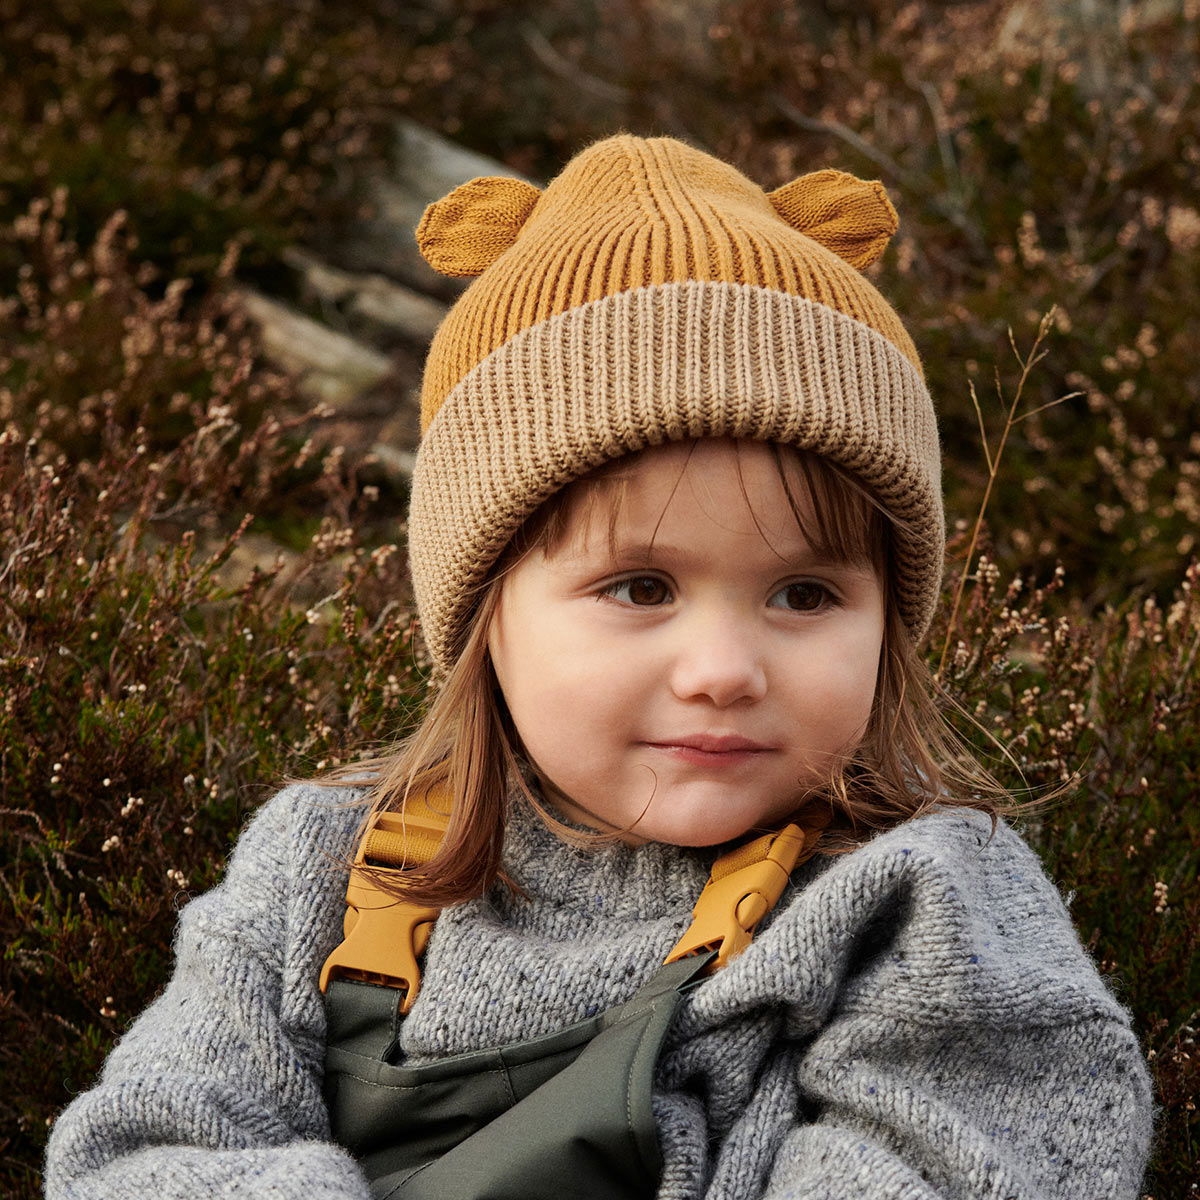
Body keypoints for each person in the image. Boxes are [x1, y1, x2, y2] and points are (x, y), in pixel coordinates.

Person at [44, 135, 1153, 1200]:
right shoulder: (316, 875)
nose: (722, 670)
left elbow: (973, 1165)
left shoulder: (926, 905)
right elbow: (143, 1156)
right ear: (488, 616)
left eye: (805, 595)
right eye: (640, 589)